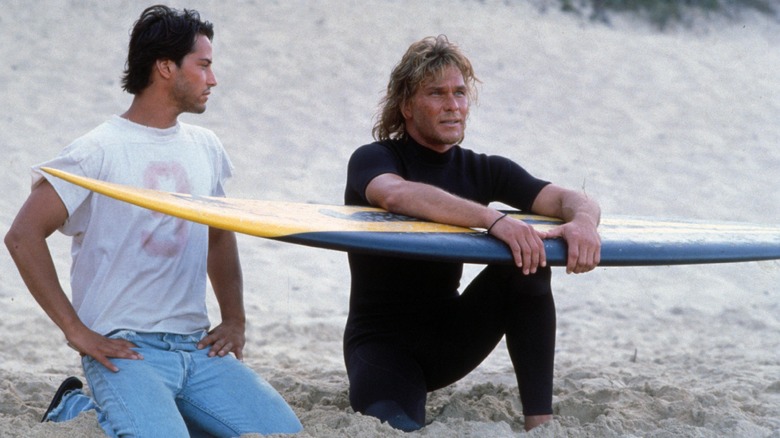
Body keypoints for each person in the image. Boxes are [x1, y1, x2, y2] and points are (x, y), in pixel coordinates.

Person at [4, 5, 302, 437]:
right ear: (165, 67)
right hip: (126, 349)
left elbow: (219, 234)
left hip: (197, 347)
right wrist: (78, 333)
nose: (213, 79)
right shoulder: (99, 150)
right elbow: (22, 236)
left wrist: (234, 318)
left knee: (284, 434)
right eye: (203, 66)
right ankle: (73, 409)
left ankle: (144, 412)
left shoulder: (206, 146)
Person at [343, 35, 601, 432]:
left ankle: (540, 422)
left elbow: (568, 198)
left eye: (460, 93)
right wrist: (493, 219)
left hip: (450, 339)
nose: (453, 105)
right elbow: (394, 194)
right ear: (407, 105)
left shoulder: (483, 169)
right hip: (382, 347)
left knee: (528, 263)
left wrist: (584, 222)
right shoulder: (375, 158)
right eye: (437, 93)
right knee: (397, 426)